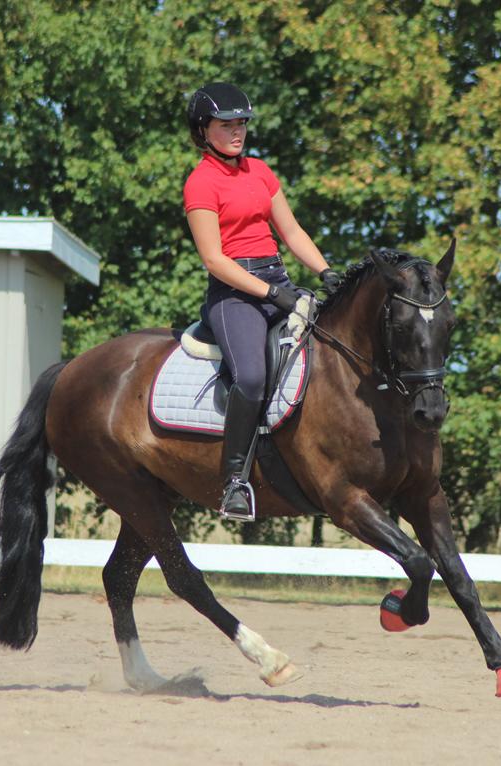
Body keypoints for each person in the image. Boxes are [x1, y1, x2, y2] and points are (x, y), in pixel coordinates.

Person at [183, 82, 342, 521]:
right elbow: (214, 259)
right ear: (203, 130)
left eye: (242, 123)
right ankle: (234, 481)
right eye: (226, 124)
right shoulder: (201, 183)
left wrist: (326, 272)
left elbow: (291, 233)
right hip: (235, 295)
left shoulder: (260, 172)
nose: (237, 132)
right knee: (251, 377)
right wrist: (273, 294)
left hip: (277, 277)